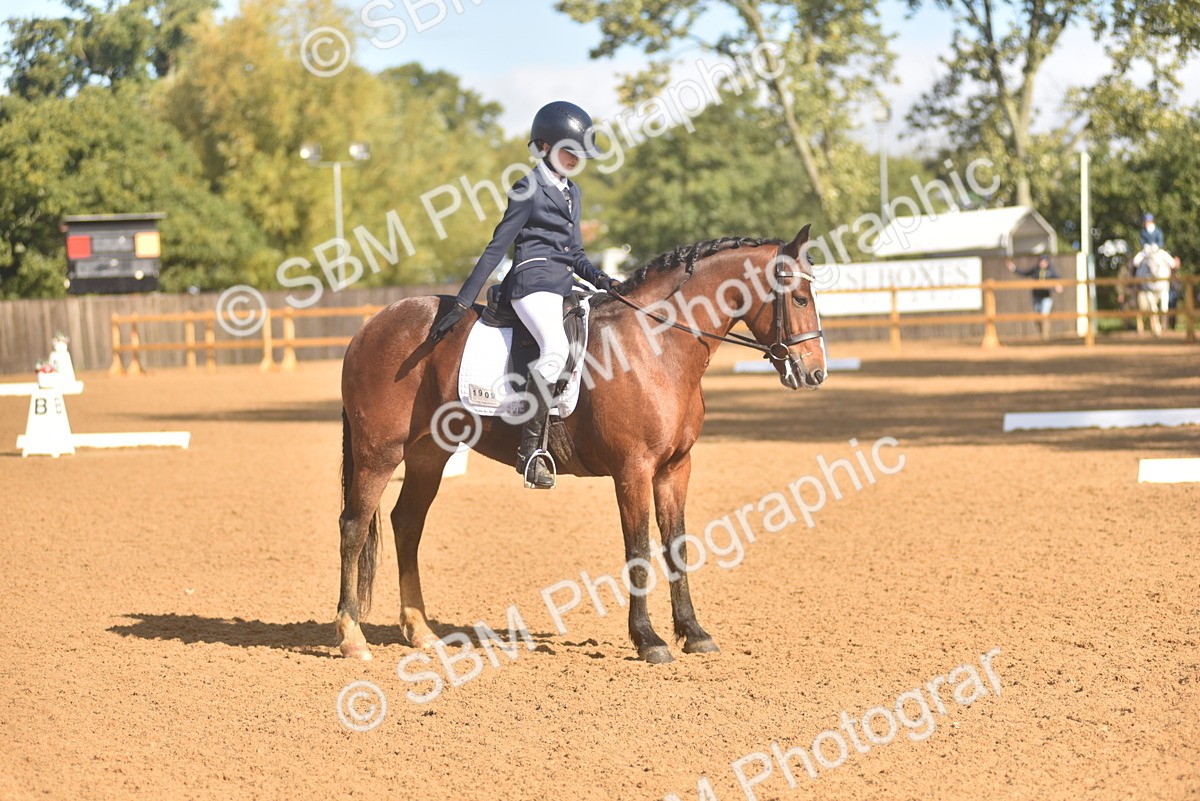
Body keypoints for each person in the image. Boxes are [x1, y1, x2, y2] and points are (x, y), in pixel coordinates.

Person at [428, 100, 620, 490]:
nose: (575, 160)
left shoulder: (573, 193)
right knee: (554, 349)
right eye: (569, 151)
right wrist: (464, 301)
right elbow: (497, 247)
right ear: (544, 147)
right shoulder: (527, 188)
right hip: (531, 286)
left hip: (565, 283)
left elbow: (576, 254)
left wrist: (606, 281)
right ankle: (530, 452)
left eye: (580, 155)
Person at [1006, 254, 1063, 341]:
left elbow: (1058, 279)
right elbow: (1024, 273)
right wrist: (1014, 269)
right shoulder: (1035, 270)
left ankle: (1045, 336)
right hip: (1036, 296)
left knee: (1044, 315)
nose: (1042, 263)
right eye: (1041, 261)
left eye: (1044, 261)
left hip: (1046, 297)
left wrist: (1058, 285)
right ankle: (1041, 334)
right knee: (1037, 316)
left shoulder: (1051, 271)